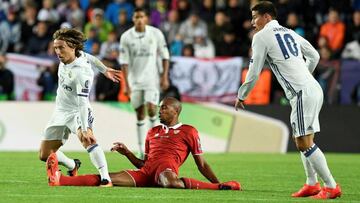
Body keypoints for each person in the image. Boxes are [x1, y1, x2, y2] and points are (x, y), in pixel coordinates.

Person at [234, 1, 341, 199]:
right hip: (312, 88)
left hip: (302, 93)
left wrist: (242, 95)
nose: (252, 22)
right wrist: (305, 76)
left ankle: (331, 186)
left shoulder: (261, 37)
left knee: (303, 143)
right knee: (303, 138)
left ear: (267, 17)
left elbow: (254, 72)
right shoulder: (290, 32)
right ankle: (311, 183)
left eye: (255, 17)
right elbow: (314, 56)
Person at [46, 97, 241, 191]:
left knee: (170, 182)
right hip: (146, 174)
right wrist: (127, 153)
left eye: (164, 108)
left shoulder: (189, 131)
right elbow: (144, 164)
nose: (159, 111)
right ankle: (61, 180)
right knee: (106, 178)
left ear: (176, 111)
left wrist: (216, 182)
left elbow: (202, 164)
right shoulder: (152, 132)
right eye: (159, 108)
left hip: (166, 171)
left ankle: (220, 187)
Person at [39, 28, 122, 187]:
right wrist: (105, 70)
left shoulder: (81, 73)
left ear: (72, 47)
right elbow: (90, 57)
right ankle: (72, 164)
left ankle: (106, 178)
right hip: (60, 111)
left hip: (78, 111)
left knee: (87, 139)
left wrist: (85, 128)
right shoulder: (76, 56)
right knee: (44, 154)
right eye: (56, 47)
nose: (57, 51)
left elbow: (83, 102)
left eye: (61, 47)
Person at [119, 7, 170, 158]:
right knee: (140, 114)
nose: (139, 19)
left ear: (146, 18)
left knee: (153, 109)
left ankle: (154, 146)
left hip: (152, 79)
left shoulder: (156, 34)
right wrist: (126, 85)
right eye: (136, 17)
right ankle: (141, 149)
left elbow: (165, 55)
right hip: (134, 81)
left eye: (142, 17)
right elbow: (124, 62)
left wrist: (164, 76)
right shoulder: (126, 37)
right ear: (133, 19)